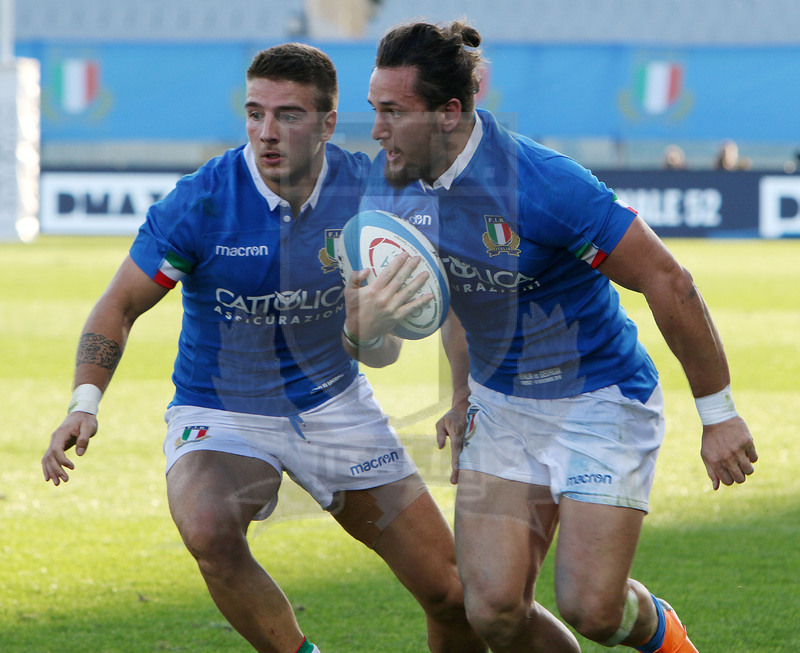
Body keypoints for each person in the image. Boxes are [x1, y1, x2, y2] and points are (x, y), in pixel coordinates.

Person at [42, 43, 486, 653]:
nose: (266, 133)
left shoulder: (372, 189)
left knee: (452, 594)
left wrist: (460, 391)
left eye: (288, 115)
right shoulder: (203, 200)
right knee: (208, 529)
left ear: (329, 123)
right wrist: (84, 401)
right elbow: (118, 305)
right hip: (222, 411)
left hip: (335, 406)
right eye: (255, 113)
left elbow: (450, 297)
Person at [347, 20, 758, 653]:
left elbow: (667, 280)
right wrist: (458, 393)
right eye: (374, 111)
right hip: (503, 407)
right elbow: (451, 295)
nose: (376, 132)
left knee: (594, 609)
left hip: (599, 398)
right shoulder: (391, 189)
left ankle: (665, 636)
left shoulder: (542, 182)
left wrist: (720, 415)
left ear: (449, 113)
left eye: (392, 113)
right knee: (493, 612)